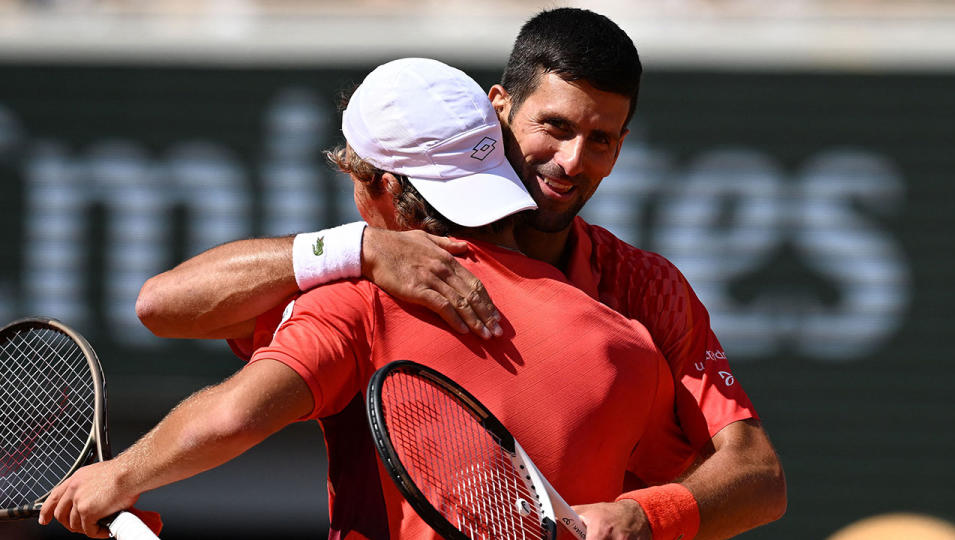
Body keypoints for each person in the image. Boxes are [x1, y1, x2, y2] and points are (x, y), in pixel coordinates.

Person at [136, 9, 787, 540]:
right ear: (499, 107)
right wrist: (354, 248)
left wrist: (642, 516)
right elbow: (166, 305)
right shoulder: (378, 276)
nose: (571, 161)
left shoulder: (649, 292)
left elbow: (758, 476)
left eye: (603, 140)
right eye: (554, 127)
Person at [39, 58, 685, 540]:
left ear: (376, 186)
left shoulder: (360, 305)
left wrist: (120, 476)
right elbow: (720, 485)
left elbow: (222, 399)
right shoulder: (625, 345)